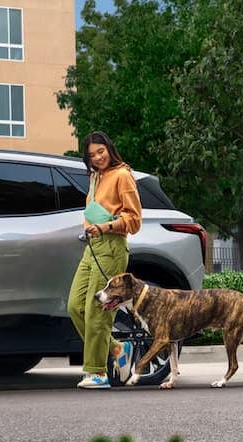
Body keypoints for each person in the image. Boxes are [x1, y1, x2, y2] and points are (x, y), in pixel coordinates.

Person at [67, 131, 143, 389]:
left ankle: (97, 373)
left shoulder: (122, 175)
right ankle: (118, 348)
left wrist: (106, 227)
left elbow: (134, 221)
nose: (98, 157)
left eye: (101, 151)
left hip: (111, 246)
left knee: (96, 310)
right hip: (92, 246)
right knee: (75, 306)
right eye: (92, 155)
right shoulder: (95, 177)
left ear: (109, 148)